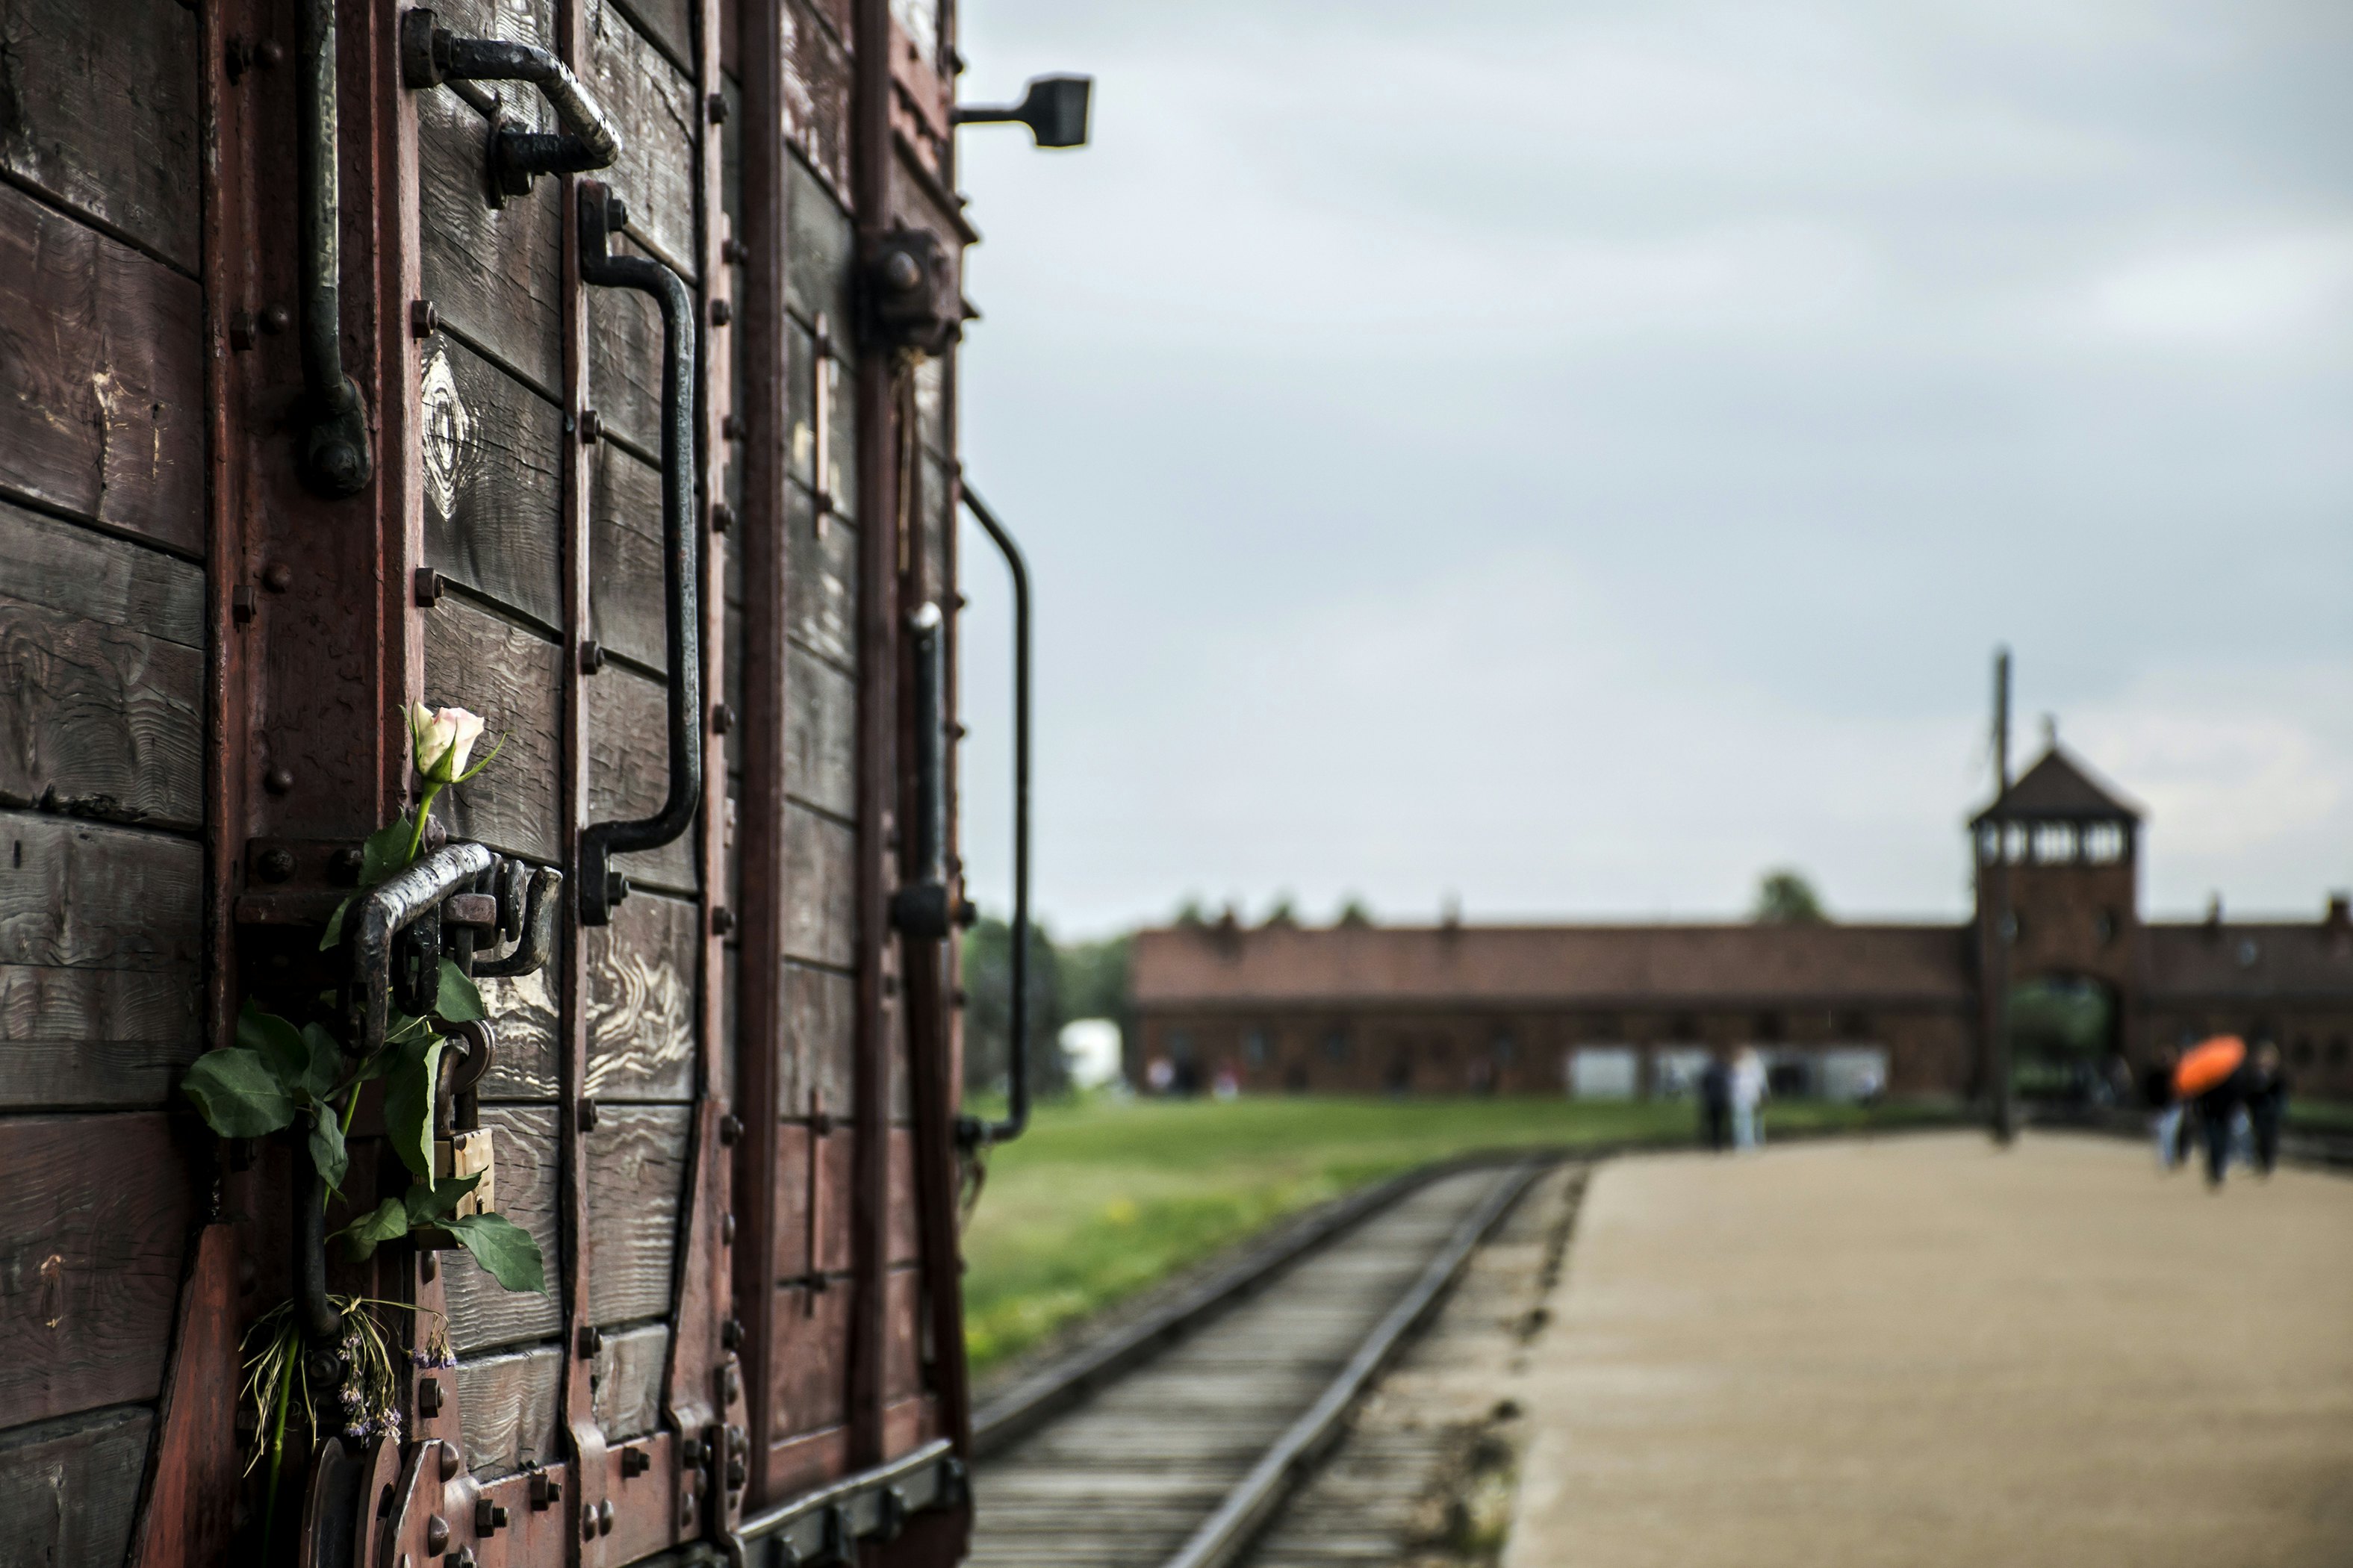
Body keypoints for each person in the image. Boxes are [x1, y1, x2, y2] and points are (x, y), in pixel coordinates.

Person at [2195, 1053, 2251, 1189]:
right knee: (2213, 1143)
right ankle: (2214, 1168)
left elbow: (2239, 1096)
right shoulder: (2209, 1079)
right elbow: (2201, 1098)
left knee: (2223, 1144)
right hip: (2211, 1116)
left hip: (2225, 1117)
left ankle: (2219, 1170)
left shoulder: (2233, 1079)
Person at [2245, 1042, 2291, 1177]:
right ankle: (2261, 1161)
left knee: (2270, 1138)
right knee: (2259, 1137)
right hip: (2258, 1112)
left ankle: (2268, 1163)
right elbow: (2249, 1094)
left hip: (2272, 1113)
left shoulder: (2279, 1076)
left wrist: (2280, 1109)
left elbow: (2282, 1094)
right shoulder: (2254, 1076)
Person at [2142, 1045, 2183, 1172]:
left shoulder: (2177, 1075)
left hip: (2173, 1109)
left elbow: (2183, 1092)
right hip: (2159, 1109)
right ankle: (2162, 1161)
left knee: (2169, 1135)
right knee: (2160, 1136)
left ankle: (2169, 1159)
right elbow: (2149, 1092)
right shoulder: (2156, 1076)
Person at [1730, 1048, 1768, 1151]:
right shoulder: (1737, 1066)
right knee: (1739, 1121)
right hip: (1739, 1097)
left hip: (1749, 1096)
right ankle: (1740, 1143)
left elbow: (1759, 1081)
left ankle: (1749, 1143)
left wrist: (1760, 1094)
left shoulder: (1754, 1066)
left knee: (1748, 1120)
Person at [1697, 1051, 1732, 1152]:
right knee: (1720, 1123)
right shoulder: (1724, 1071)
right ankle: (1720, 1142)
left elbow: (1704, 1084)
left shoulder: (1709, 1070)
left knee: (1713, 1124)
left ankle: (1714, 1143)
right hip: (1721, 1099)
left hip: (1711, 1100)